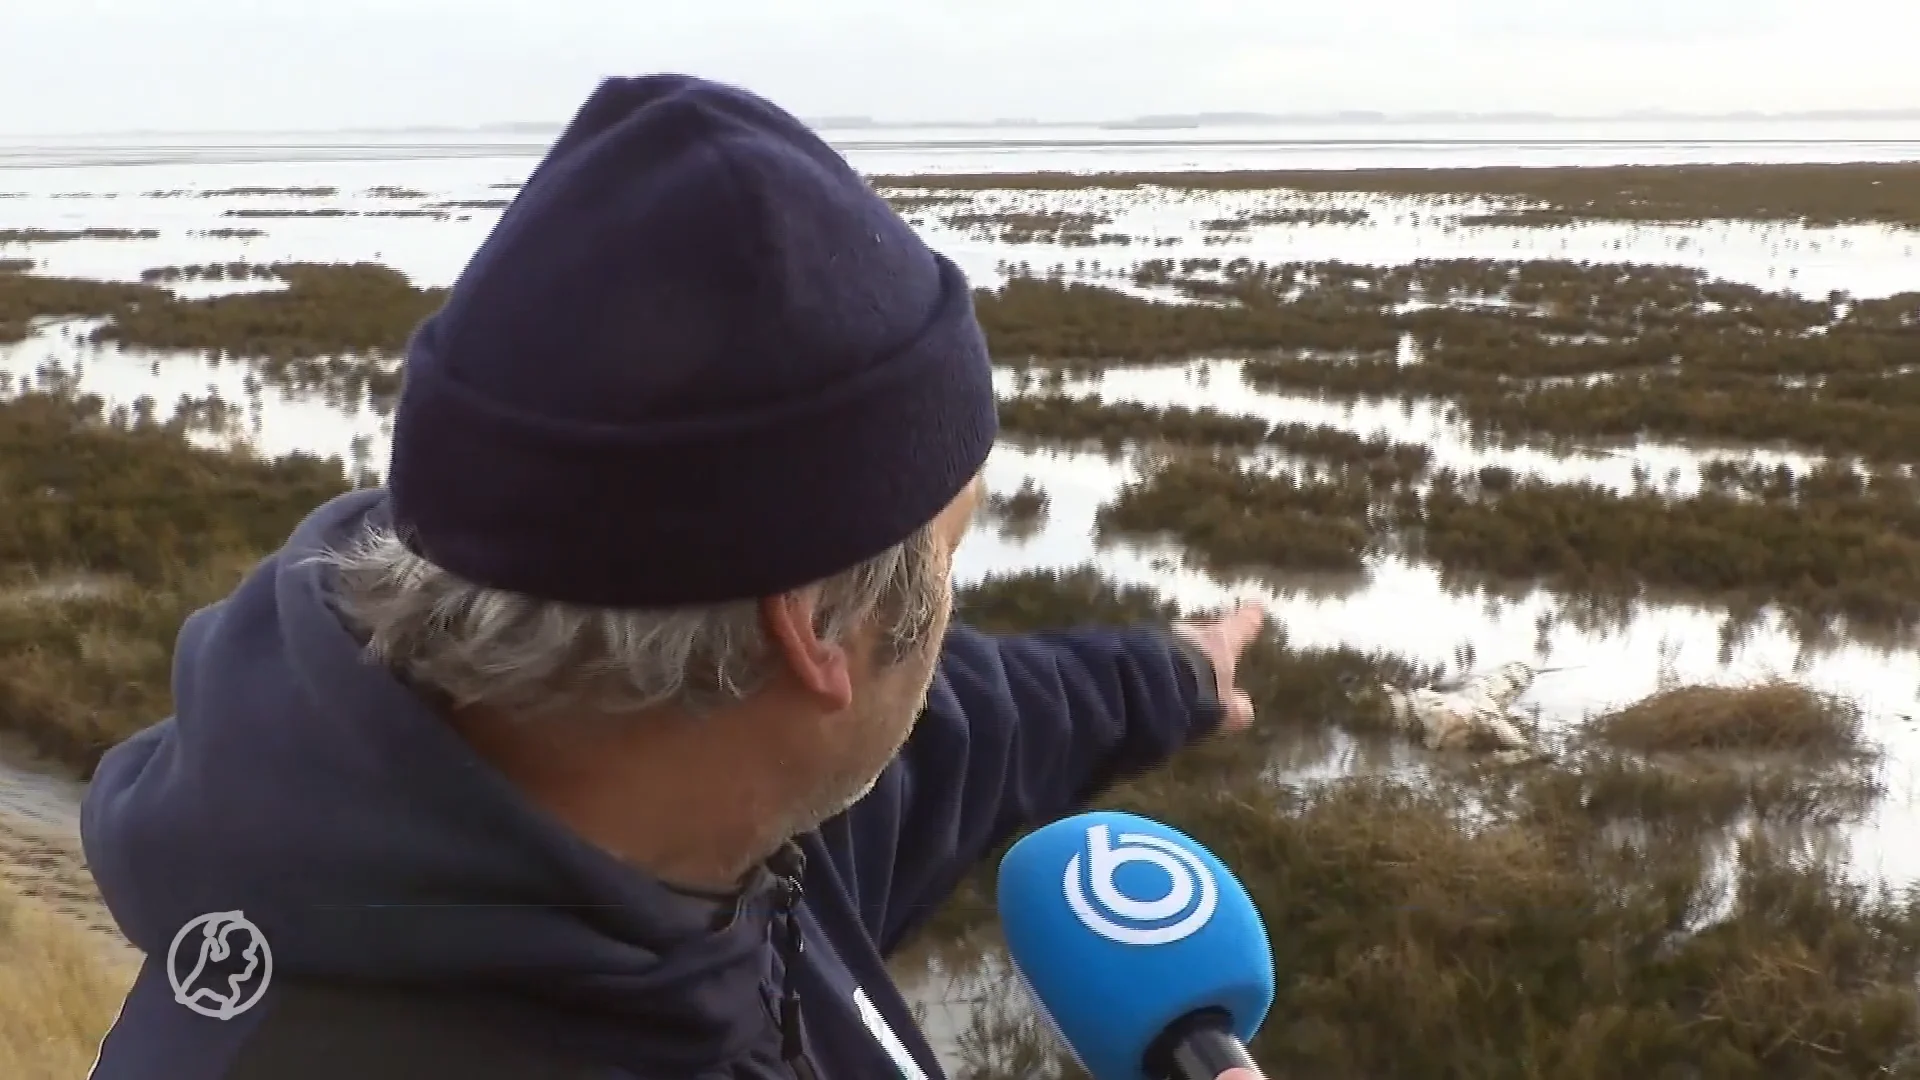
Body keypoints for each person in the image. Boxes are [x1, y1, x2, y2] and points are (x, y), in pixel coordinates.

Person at [81, 74, 1269, 1080]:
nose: (950, 602)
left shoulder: (687, 810)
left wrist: (1166, 675)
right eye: (952, 551)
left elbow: (961, 730)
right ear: (814, 628)